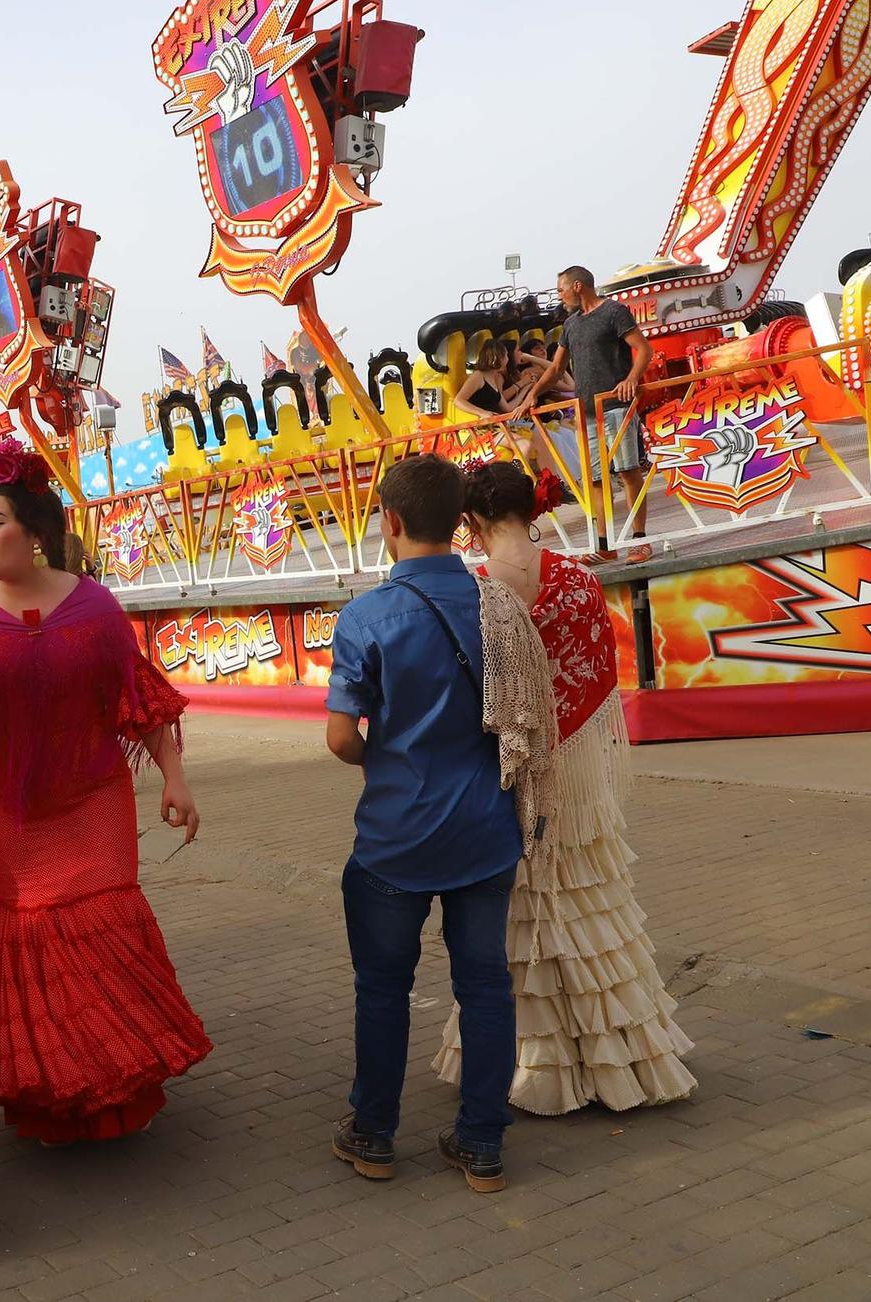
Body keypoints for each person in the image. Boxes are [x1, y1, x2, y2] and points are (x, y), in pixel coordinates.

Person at [0, 440, 209, 1145]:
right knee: (37, 925)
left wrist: (174, 779)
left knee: (106, 920)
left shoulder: (94, 605)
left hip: (96, 798)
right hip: (13, 809)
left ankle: (121, 1084)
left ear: (34, 533)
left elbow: (139, 701)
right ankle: (53, 1095)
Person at [325, 455, 555, 1195]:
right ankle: (482, 1144)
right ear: (461, 523)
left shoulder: (366, 617)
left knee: (383, 988)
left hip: (395, 836)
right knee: (485, 986)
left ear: (390, 522)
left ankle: (374, 1134)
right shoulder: (501, 606)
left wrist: (382, 759)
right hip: (487, 830)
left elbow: (339, 738)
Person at [435, 462, 695, 1112]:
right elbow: (597, 680)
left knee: (516, 914)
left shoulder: (474, 592)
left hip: (504, 769)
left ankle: (534, 1067)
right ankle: (624, 1060)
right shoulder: (579, 582)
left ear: (469, 520)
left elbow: (475, 695)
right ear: (534, 509)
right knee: (592, 902)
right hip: (577, 772)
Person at [523, 266, 656, 564]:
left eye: (561, 289)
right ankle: (605, 544)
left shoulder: (614, 312)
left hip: (616, 406)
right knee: (595, 479)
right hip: (587, 414)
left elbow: (643, 350)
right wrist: (532, 395)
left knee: (628, 471)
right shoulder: (570, 325)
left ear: (578, 286)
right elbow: (556, 369)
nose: (559, 295)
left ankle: (640, 539)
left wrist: (631, 379)